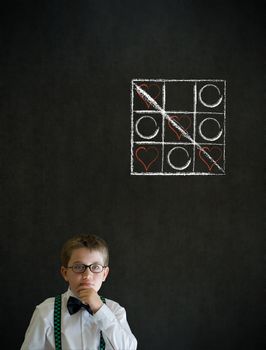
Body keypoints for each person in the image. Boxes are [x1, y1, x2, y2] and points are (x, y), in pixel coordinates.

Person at [21, 234, 137, 350]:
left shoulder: (115, 310)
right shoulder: (45, 312)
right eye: (78, 267)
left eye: (95, 267)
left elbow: (129, 348)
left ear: (105, 274)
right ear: (65, 273)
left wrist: (100, 310)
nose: (87, 275)